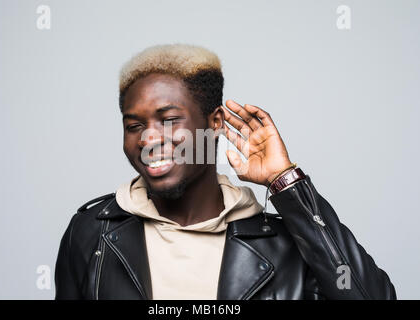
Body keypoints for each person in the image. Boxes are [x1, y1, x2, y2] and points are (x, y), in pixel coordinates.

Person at [55, 44, 396, 300]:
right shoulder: (91, 233)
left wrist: (286, 184)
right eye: (133, 125)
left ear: (214, 122)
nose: (149, 139)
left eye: (170, 119)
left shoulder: (286, 244)